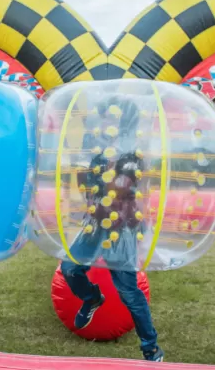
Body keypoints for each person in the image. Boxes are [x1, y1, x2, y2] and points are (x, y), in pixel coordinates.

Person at [60, 95, 164, 362]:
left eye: (112, 116)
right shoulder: (95, 149)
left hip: (122, 226)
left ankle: (150, 347)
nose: (105, 120)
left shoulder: (133, 154)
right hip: (96, 221)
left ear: (123, 121)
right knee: (70, 269)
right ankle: (92, 298)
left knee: (128, 290)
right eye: (104, 115)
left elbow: (120, 186)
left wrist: (105, 161)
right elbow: (83, 182)